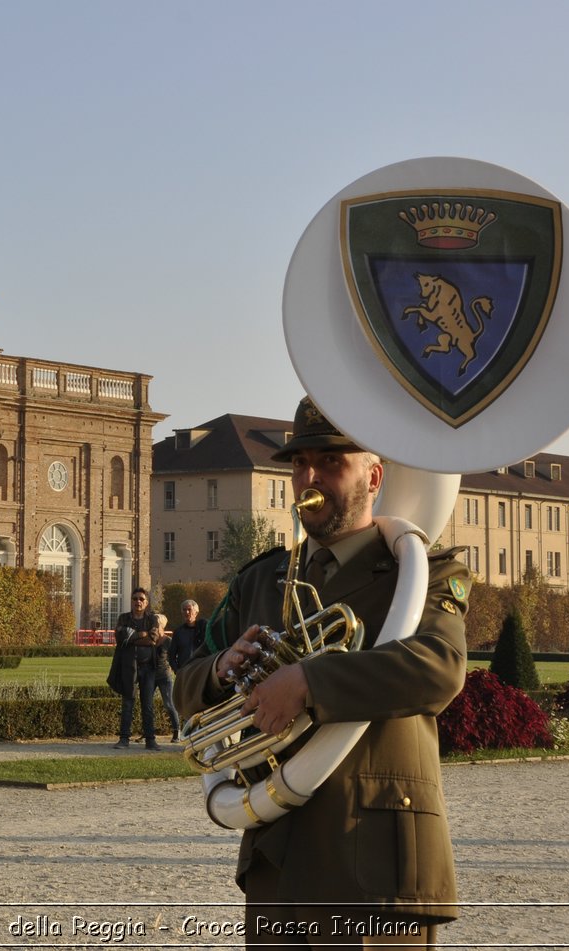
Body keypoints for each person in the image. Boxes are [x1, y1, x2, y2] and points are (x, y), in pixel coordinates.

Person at [175, 396, 470, 948]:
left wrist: (308, 682)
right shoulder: (259, 581)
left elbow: (439, 668)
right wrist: (220, 667)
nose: (311, 476)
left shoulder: (421, 570)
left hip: (376, 863)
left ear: (374, 475)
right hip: (276, 862)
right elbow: (186, 685)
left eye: (332, 462)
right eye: (299, 462)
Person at [107, 587, 160, 749]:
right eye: (135, 598)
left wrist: (132, 637)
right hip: (128, 667)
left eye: (141, 599)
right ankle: (124, 739)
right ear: (131, 601)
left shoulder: (152, 619)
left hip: (148, 667)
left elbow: (153, 640)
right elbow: (120, 638)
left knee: (148, 704)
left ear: (146, 602)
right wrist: (142, 635)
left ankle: (150, 740)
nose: (138, 601)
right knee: (128, 702)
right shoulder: (123, 618)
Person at [152, 612, 183, 742]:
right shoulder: (150, 639)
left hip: (164, 676)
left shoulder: (168, 641)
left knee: (169, 704)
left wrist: (173, 667)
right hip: (150, 675)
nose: (153, 626)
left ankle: (177, 731)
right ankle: (148, 731)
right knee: (147, 704)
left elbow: (175, 656)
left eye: (155, 624)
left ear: (162, 625)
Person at [170, 598, 205, 671]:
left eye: (189, 609)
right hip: (184, 671)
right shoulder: (178, 632)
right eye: (184, 610)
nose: (187, 612)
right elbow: (171, 655)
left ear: (196, 612)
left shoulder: (203, 630)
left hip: (200, 670)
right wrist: (177, 671)